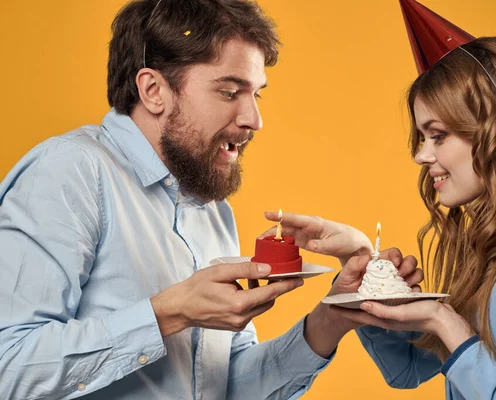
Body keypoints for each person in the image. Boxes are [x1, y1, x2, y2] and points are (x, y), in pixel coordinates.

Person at [0, 0, 425, 398]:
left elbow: (225, 386)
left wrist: (332, 318)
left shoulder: (210, 206)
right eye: (229, 92)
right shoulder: (70, 170)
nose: (254, 119)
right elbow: (9, 365)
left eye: (256, 93)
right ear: (153, 91)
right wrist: (170, 313)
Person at [265, 1, 496, 398]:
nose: (422, 155)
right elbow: (406, 368)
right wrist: (361, 262)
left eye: (438, 135)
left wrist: (448, 323)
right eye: (423, 137)